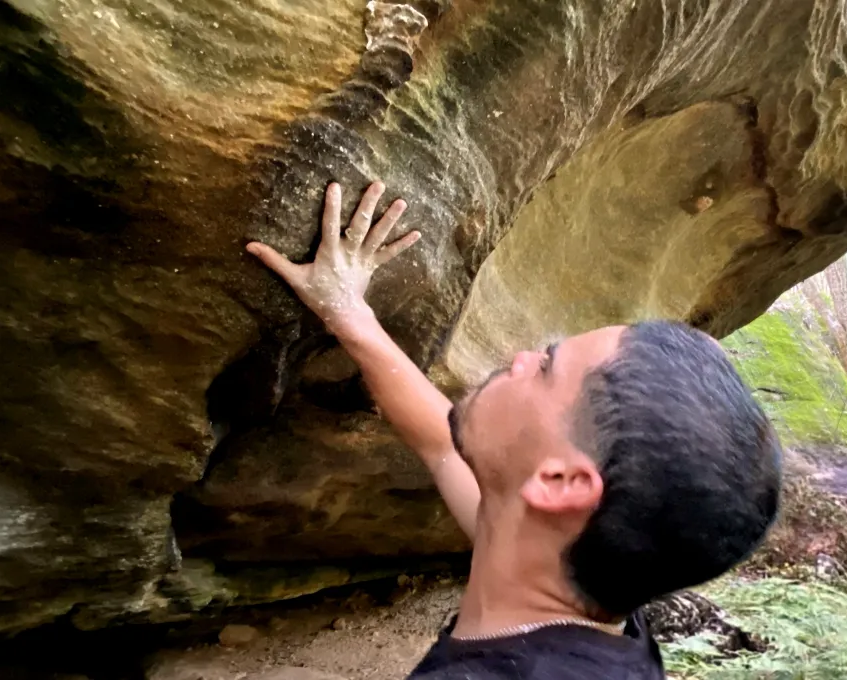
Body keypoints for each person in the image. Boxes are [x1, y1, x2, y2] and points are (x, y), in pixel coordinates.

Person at [246, 181, 783, 679]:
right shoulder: (578, 586)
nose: (523, 358)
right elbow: (441, 445)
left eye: (548, 366)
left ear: (560, 484)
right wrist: (346, 311)